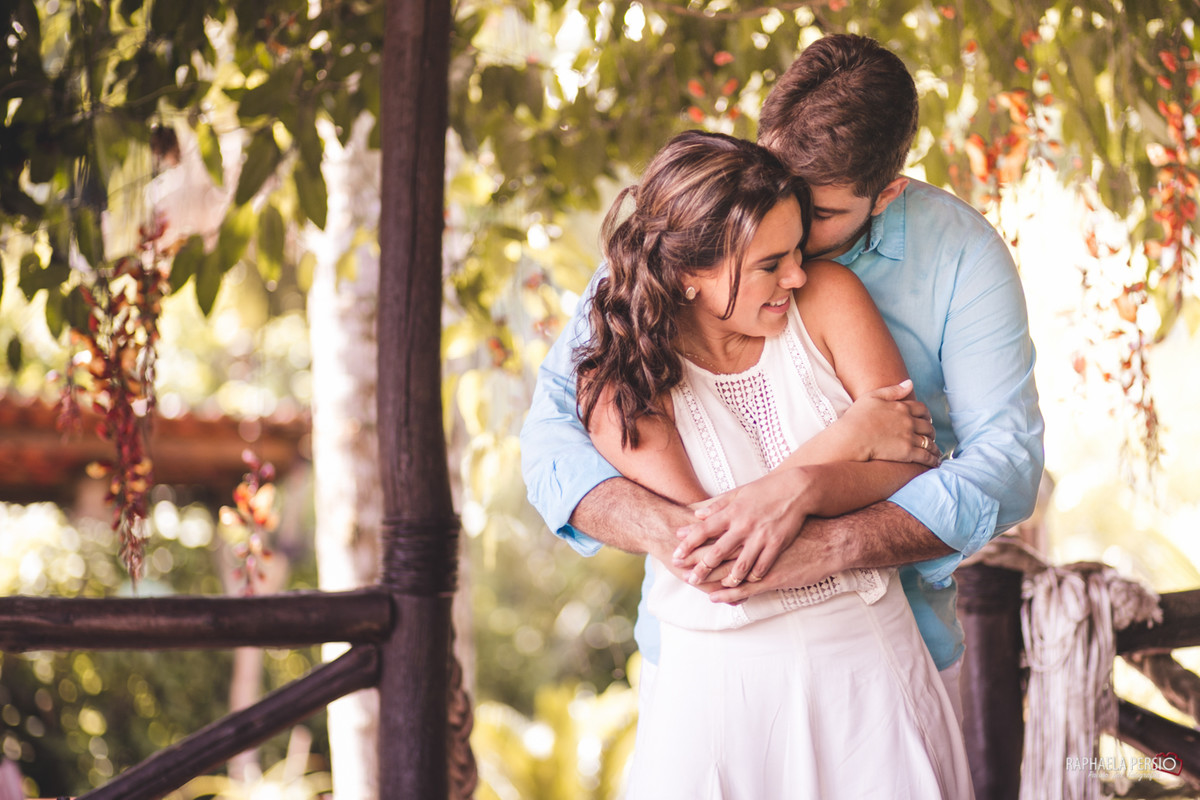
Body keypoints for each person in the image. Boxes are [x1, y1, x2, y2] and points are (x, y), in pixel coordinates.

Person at [520, 33, 1044, 724]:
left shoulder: (962, 259)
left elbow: (1006, 466)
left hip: (890, 647)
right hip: (701, 651)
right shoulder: (704, 229)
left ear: (887, 192)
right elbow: (556, 430)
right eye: (777, 182)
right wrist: (683, 536)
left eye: (817, 214)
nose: (787, 228)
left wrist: (820, 531)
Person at [573, 129, 972, 797]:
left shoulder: (831, 297)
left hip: (868, 673)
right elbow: (717, 552)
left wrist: (802, 488)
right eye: (770, 264)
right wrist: (848, 439)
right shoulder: (621, 385)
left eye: (796, 251)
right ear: (689, 276)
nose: (797, 275)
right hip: (721, 700)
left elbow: (913, 471)